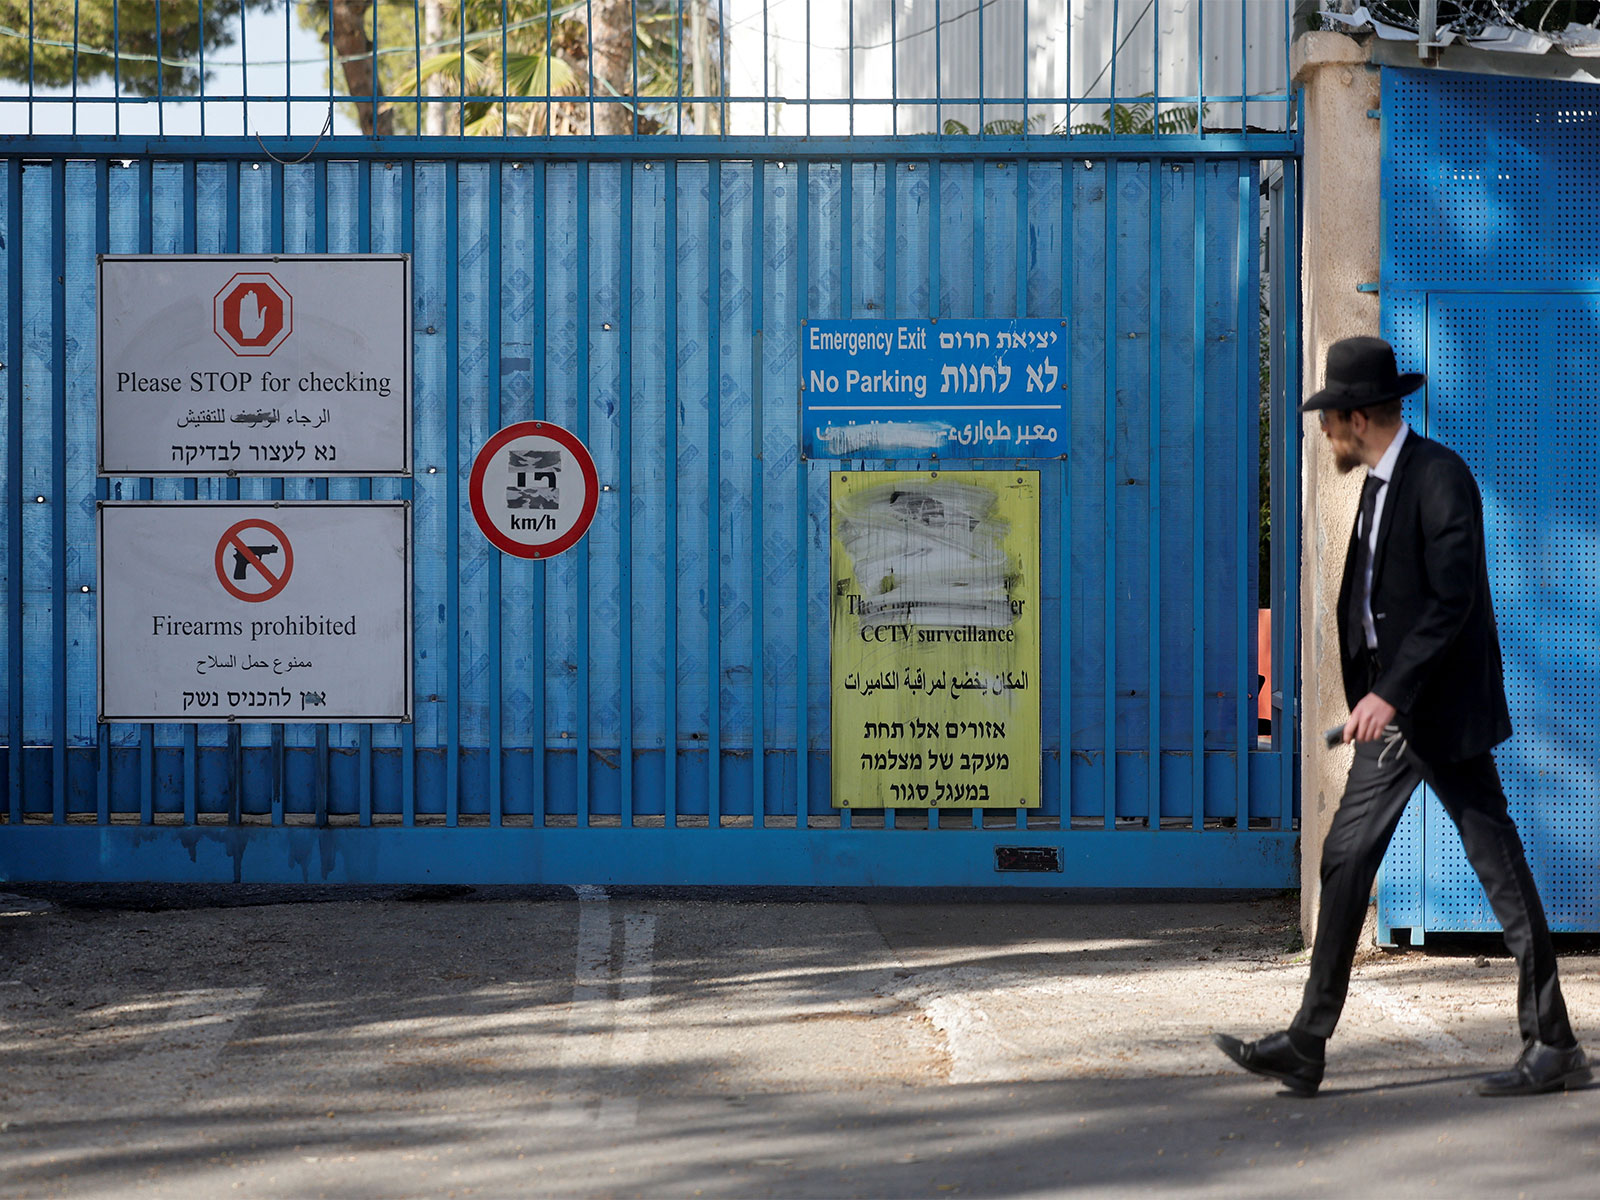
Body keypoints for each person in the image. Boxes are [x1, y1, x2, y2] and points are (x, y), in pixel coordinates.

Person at [1213, 336, 1587, 1098]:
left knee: (1499, 866)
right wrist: (1372, 693)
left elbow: (1451, 601)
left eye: (1329, 418)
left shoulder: (1440, 478)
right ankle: (1308, 1042)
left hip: (1441, 714)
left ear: (1358, 418)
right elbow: (1375, 605)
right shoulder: (1377, 487)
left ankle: (1554, 1044)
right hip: (1391, 721)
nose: (1324, 432)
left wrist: (1391, 692)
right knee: (1345, 858)